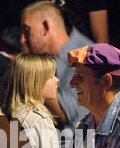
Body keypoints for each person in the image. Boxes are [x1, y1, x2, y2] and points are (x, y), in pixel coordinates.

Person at [20, 1, 92, 133]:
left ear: (45, 27)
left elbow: (69, 117)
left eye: (27, 30)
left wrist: (33, 79)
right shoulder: (52, 58)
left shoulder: (85, 58)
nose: (22, 40)